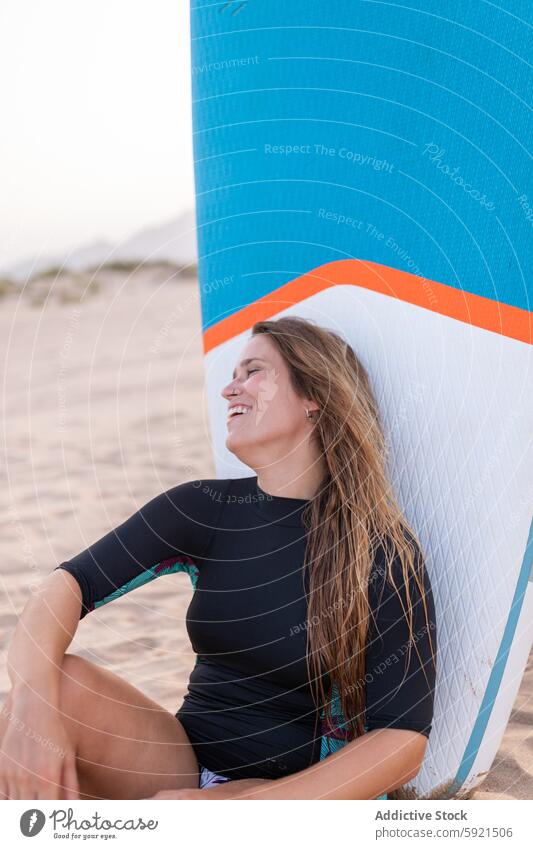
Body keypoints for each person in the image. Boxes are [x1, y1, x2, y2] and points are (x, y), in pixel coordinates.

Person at [0, 316, 436, 800]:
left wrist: (240, 809)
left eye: (253, 371)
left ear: (316, 396)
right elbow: (66, 585)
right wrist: (31, 708)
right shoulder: (205, 509)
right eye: (233, 374)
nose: (230, 389)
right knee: (52, 688)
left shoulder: (380, 551)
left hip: (292, 795)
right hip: (179, 765)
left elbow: (402, 742)